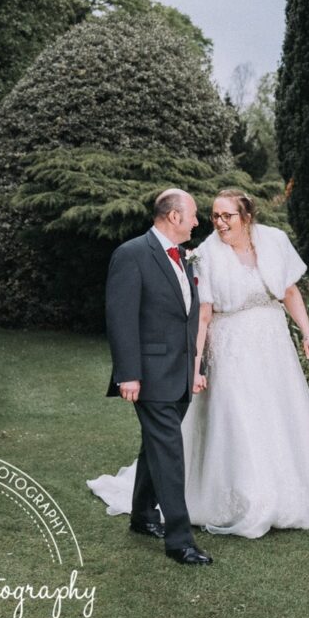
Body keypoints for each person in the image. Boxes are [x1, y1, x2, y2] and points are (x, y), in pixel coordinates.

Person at [88, 189, 309, 537]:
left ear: (246, 216)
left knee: (280, 414)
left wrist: (308, 333)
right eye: (214, 216)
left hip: (274, 348)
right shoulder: (204, 254)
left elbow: (289, 292)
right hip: (231, 350)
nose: (218, 223)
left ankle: (292, 489)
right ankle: (246, 500)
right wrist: (194, 367)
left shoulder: (274, 241)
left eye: (227, 216)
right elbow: (202, 316)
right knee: (239, 420)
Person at [97, 188, 213, 567]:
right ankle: (180, 541)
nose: (197, 222)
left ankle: (142, 515)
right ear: (174, 217)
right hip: (149, 375)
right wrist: (129, 374)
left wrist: (195, 366)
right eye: (193, 215)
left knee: (156, 446)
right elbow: (121, 317)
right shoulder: (131, 254)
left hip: (179, 372)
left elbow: (189, 316)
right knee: (170, 452)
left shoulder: (185, 257)